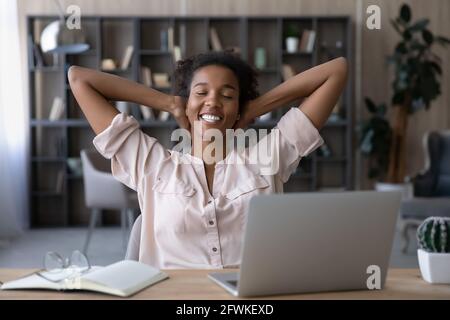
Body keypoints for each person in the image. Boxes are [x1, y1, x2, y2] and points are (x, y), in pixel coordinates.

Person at [68, 51, 347, 269]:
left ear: (238, 108)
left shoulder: (268, 158)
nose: (212, 102)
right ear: (187, 104)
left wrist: (257, 107)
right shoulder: (152, 164)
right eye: (201, 93)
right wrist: (166, 102)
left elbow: (336, 71)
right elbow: (80, 79)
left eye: (227, 95)